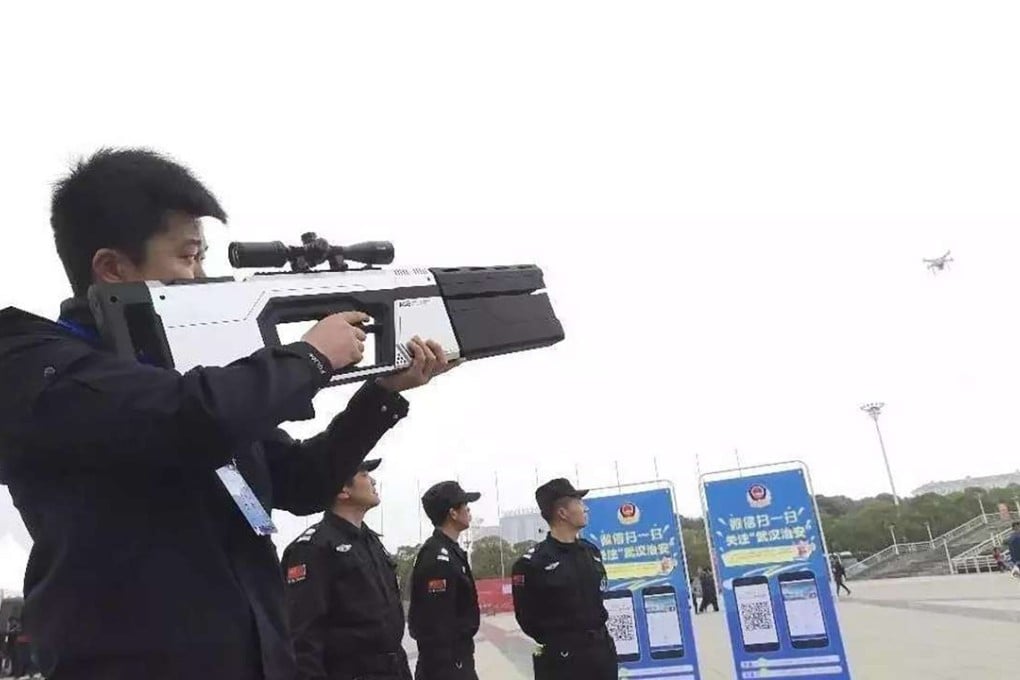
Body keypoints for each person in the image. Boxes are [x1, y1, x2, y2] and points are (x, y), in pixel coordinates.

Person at [0, 148, 455, 680]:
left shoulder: (195, 380)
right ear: (112, 268)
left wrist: (381, 393)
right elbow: (186, 418)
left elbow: (303, 482)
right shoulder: (35, 366)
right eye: (188, 256)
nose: (202, 276)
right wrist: (308, 357)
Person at [282, 458, 411, 680]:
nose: (373, 480)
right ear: (343, 490)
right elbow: (302, 639)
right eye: (364, 475)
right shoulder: (312, 549)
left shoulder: (371, 542)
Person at [511, 478, 617, 680]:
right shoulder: (531, 564)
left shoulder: (590, 551)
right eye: (579, 503)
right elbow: (527, 619)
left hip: (601, 654)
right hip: (563, 662)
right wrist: (562, 641)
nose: (585, 508)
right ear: (562, 513)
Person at [408, 481, 482, 680]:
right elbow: (436, 622)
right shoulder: (437, 556)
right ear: (453, 513)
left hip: (458, 659)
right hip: (445, 666)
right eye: (465, 504)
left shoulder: (451, 551)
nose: (469, 509)